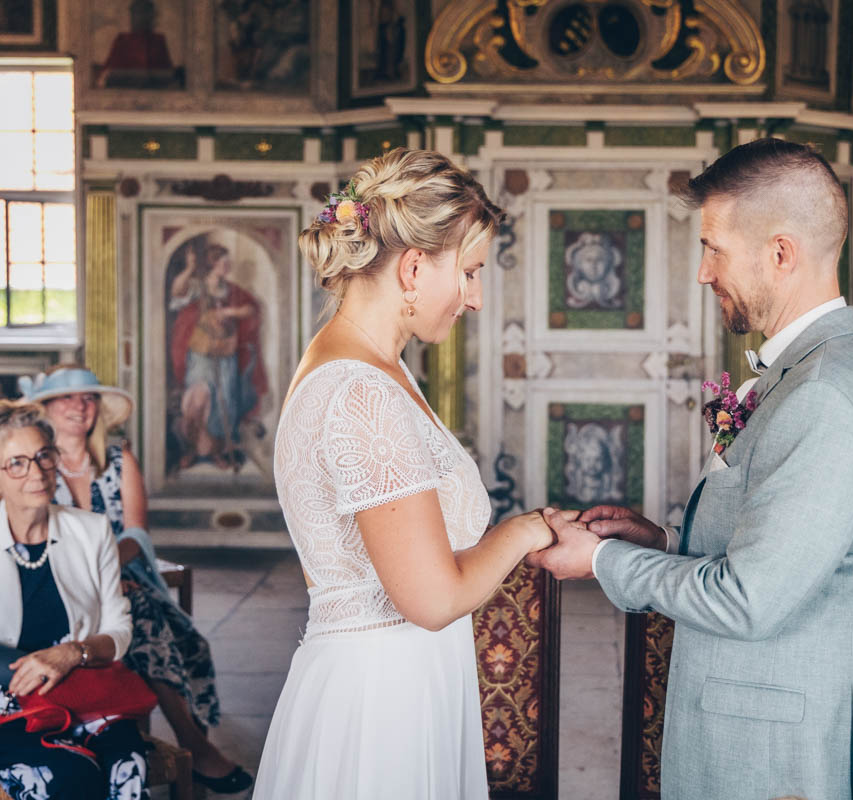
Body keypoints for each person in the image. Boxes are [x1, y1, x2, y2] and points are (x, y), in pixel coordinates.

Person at [531, 138, 853, 800]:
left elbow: (749, 598)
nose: (704, 272)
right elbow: (781, 551)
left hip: (785, 758)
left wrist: (601, 560)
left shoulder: (822, 395)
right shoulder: (816, 372)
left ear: (781, 253)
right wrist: (664, 543)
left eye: (715, 249)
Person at [253, 149, 554, 800]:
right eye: (469, 273)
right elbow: (432, 599)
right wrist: (527, 530)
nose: (475, 299)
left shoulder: (372, 368)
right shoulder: (361, 392)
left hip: (402, 678)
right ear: (414, 268)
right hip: (380, 706)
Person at [21, 366, 252, 794]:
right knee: (140, 612)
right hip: (54, 583)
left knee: (145, 611)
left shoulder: (117, 459)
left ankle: (178, 743)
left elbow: (136, 535)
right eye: (67, 397)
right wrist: (94, 581)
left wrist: (107, 573)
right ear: (46, 408)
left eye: (88, 398)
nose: (80, 406)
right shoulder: (33, 466)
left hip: (123, 571)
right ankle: (193, 746)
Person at [0, 401, 145, 800]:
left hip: (87, 693)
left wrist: (72, 653)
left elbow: (119, 630)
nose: (36, 473)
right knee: (67, 776)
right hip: (10, 704)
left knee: (129, 770)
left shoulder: (92, 531)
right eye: (17, 463)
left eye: (43, 456)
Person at [168, 241, 268, 471]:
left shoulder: (230, 290)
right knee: (198, 397)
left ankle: (218, 451)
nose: (227, 266)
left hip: (225, 354)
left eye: (228, 262)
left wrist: (229, 311)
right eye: (223, 262)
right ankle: (193, 448)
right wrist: (189, 268)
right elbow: (176, 291)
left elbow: (251, 308)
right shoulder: (198, 286)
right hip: (201, 355)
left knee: (225, 401)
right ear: (212, 264)